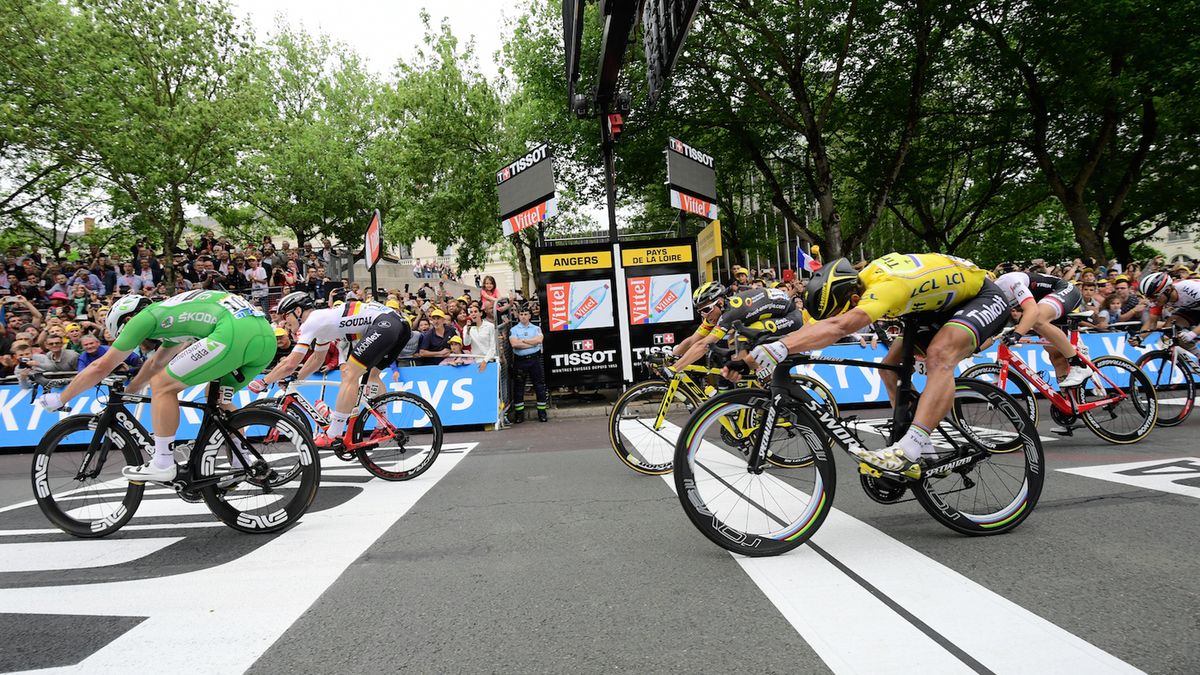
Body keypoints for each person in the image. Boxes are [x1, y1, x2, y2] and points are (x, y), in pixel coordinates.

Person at [742, 254, 1010, 479]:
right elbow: (820, 327)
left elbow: (840, 326)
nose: (843, 314)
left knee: (939, 357)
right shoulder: (859, 286)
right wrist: (771, 346)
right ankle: (925, 445)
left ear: (854, 300)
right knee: (888, 367)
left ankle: (912, 446)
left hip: (982, 296)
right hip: (935, 306)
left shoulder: (886, 287)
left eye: (843, 309)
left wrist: (781, 348)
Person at [36, 290, 275, 481]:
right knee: (219, 396)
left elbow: (101, 367)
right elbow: (156, 362)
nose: (133, 340)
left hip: (233, 333)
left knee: (162, 386)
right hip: (264, 339)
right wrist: (130, 391)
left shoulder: (143, 318)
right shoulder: (171, 318)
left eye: (123, 333)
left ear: (127, 319)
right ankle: (241, 460)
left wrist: (61, 398)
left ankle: (163, 462)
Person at [254, 292, 411, 450]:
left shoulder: (311, 322)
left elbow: (291, 363)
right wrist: (296, 377)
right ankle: (382, 425)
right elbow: (317, 359)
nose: (283, 321)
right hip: (399, 325)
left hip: (384, 324)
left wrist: (264, 381)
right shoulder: (322, 325)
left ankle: (333, 433)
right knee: (372, 375)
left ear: (298, 311)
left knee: (349, 374)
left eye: (285, 316)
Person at [992, 266, 1091, 388]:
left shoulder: (1009, 281)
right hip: (1045, 303)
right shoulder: (991, 299)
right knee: (1056, 356)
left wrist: (1017, 335)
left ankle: (1078, 365)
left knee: (1037, 320)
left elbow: (1032, 311)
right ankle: (1068, 401)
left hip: (1063, 290)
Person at [1139, 272, 1200, 351]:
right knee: (1169, 328)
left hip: (1195, 302)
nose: (1151, 300)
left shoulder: (1191, 289)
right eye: (1148, 297)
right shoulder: (1158, 300)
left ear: (1168, 290)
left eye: (1153, 296)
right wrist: (1139, 338)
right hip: (1194, 308)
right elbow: (1152, 322)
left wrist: (1193, 333)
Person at [508, 305, 547, 422]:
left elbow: (539, 340)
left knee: (539, 386)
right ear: (518, 316)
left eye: (526, 314)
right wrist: (532, 343)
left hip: (534, 360)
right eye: (521, 314)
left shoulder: (536, 328)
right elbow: (514, 344)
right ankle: (519, 414)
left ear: (530, 316)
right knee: (519, 387)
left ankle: (542, 413)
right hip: (520, 361)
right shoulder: (513, 329)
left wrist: (523, 341)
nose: (523, 316)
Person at [462, 304, 498, 373]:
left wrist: (485, 361)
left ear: (480, 313)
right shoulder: (466, 328)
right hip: (475, 361)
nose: (473, 314)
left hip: (489, 360)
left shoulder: (490, 326)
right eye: (471, 312)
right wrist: (468, 331)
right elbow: (466, 343)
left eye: (475, 312)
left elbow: (493, 347)